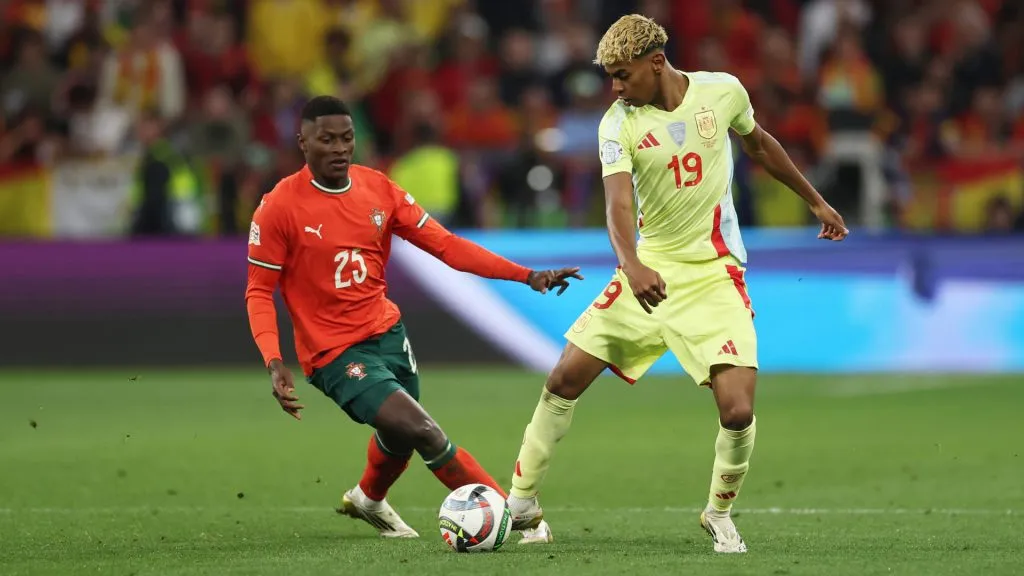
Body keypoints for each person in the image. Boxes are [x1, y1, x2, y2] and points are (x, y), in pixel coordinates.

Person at [507, 15, 848, 552]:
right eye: (610, 78)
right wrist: (633, 265)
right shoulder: (616, 123)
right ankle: (520, 503)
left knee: (737, 409)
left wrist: (815, 200)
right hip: (649, 273)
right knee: (563, 380)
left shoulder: (723, 92)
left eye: (623, 75)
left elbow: (759, 145)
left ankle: (719, 513)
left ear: (656, 62)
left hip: (714, 276)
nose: (615, 88)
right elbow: (617, 206)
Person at [245, 95, 582, 538]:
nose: (339, 149)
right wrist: (273, 359)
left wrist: (527, 275)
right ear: (302, 142)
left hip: (388, 333)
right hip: (334, 353)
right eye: (326, 139)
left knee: (399, 436)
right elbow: (258, 291)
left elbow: (447, 246)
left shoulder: (379, 190)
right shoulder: (279, 207)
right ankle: (511, 515)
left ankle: (368, 498)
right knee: (424, 431)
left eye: (347, 138)